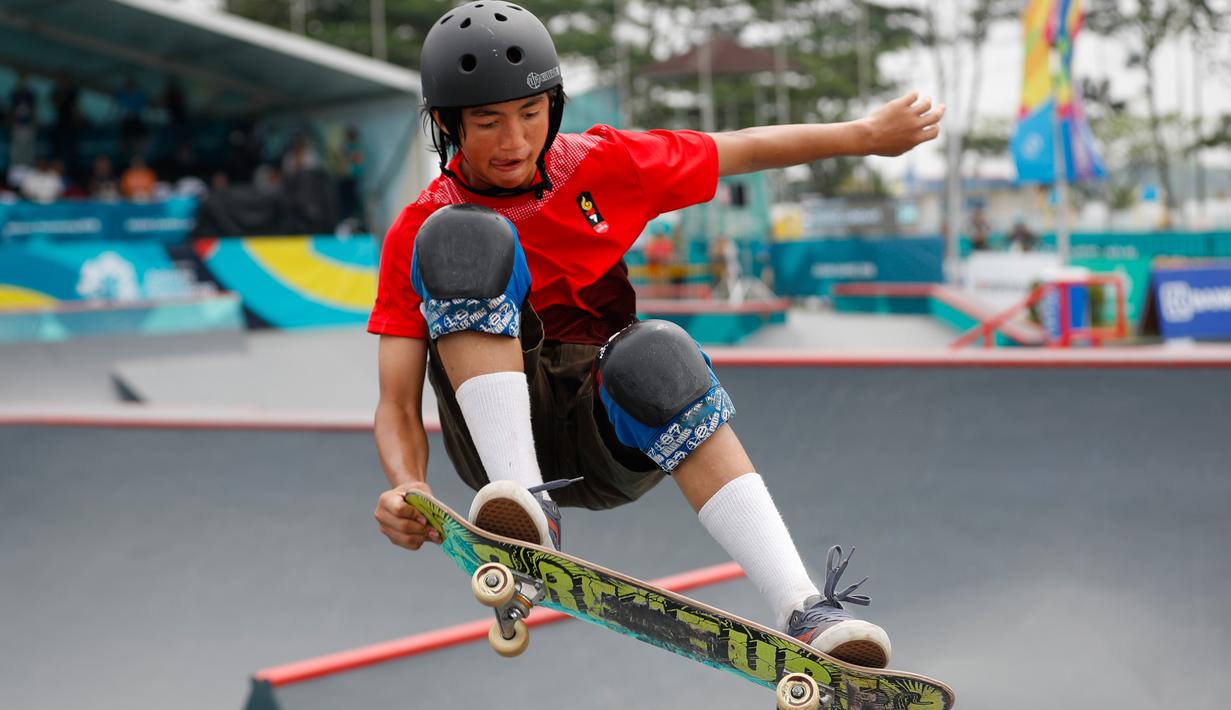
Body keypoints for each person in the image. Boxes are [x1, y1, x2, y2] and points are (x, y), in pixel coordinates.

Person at [370, 1, 944, 669]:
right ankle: (525, 508)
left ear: (553, 107)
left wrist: (864, 135)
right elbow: (395, 400)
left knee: (658, 347)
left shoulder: (604, 164)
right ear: (447, 124)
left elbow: (741, 148)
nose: (514, 143)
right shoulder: (416, 227)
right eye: (488, 123)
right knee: (463, 235)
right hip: (494, 444)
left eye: (529, 116)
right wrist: (406, 485)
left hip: (600, 435)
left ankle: (804, 610)